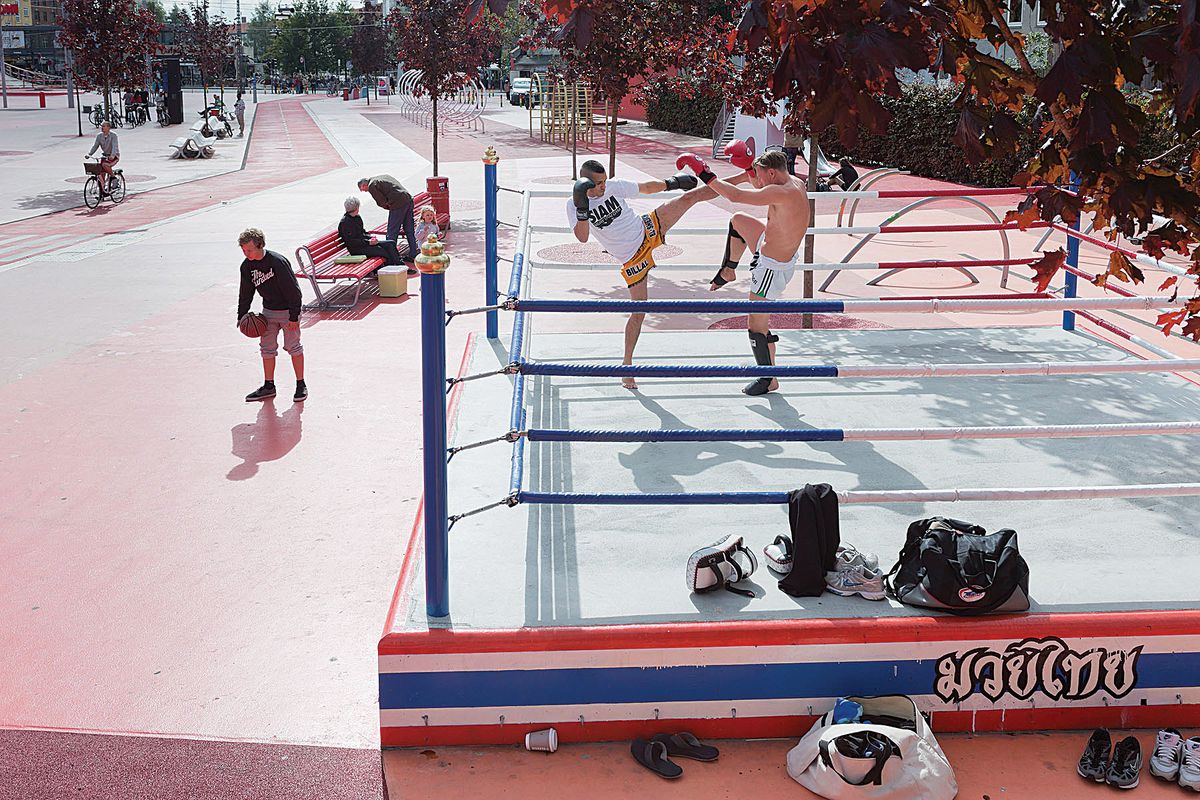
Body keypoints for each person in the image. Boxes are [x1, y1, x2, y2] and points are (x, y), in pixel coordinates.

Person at [569, 159, 731, 389]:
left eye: (604, 181)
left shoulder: (614, 187)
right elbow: (583, 237)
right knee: (639, 312)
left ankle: (744, 177)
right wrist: (582, 208)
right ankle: (627, 367)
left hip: (647, 228)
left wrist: (672, 183)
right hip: (632, 259)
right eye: (598, 183)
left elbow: (645, 187)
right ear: (585, 183)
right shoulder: (573, 204)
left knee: (689, 197)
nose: (603, 186)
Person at [677, 149, 809, 396]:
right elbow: (757, 187)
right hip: (770, 245)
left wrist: (704, 173)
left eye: (760, 175)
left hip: (772, 266)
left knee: (756, 324)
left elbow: (735, 196)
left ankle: (768, 378)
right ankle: (728, 271)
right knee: (738, 221)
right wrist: (750, 170)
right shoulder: (794, 182)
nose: (758, 181)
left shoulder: (781, 192)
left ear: (771, 173)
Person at [236, 228, 307, 403]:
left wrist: (294, 316)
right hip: (268, 312)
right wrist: (241, 315)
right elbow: (245, 293)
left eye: (249, 250)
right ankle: (269, 386)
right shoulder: (246, 266)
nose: (246, 254)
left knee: (293, 347)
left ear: (260, 245)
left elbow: (294, 291)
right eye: (243, 250)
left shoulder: (277, 262)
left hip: (288, 312)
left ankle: (300, 384)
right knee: (266, 349)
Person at [358, 174, 418, 273]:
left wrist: (389, 206)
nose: (364, 191)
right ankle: (413, 253)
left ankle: (392, 258)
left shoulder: (372, 185)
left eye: (363, 189)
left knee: (392, 232)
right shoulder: (382, 177)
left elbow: (381, 202)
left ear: (364, 185)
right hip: (408, 199)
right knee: (409, 230)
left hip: (398, 204)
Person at [338, 196, 404, 266]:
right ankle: (391, 266)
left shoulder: (357, 217)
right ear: (357, 208)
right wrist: (368, 242)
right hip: (357, 249)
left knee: (391, 243)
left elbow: (363, 232)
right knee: (382, 251)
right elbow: (351, 242)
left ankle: (399, 262)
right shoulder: (345, 223)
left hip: (365, 243)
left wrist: (371, 238)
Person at [86, 121, 120, 195]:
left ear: (109, 127)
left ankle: (114, 178)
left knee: (105, 165)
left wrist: (112, 155)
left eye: (104, 126)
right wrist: (89, 154)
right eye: (102, 126)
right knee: (100, 172)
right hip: (105, 156)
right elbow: (95, 146)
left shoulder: (113, 136)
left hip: (113, 156)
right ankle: (103, 192)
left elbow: (114, 146)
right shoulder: (99, 136)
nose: (102, 128)